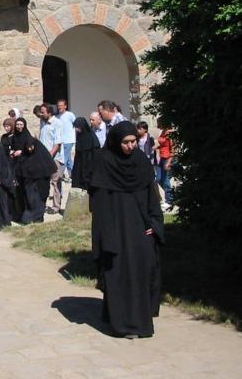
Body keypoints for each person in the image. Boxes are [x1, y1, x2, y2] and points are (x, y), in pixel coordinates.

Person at [89, 121, 164, 338]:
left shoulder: (140, 161)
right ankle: (122, 324)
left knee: (142, 271)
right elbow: (100, 204)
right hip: (115, 229)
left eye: (133, 141)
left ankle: (140, 321)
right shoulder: (104, 162)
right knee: (117, 273)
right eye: (126, 142)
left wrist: (154, 224)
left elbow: (152, 197)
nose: (131, 146)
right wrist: (105, 235)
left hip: (140, 227)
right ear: (115, 142)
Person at [10, 118, 58, 224]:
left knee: (35, 195)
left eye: (21, 124)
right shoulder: (14, 137)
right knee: (26, 195)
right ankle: (28, 216)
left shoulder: (30, 139)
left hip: (35, 172)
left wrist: (21, 153)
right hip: (23, 172)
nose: (18, 126)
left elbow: (30, 151)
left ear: (24, 125)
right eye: (17, 124)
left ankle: (36, 217)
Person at [39, 103, 64, 214]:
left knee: (55, 183)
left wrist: (49, 156)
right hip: (43, 158)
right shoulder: (43, 122)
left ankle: (56, 206)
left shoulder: (57, 123)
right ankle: (41, 204)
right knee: (43, 182)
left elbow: (57, 143)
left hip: (54, 158)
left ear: (49, 112)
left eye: (43, 112)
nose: (41, 114)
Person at [0, 117, 23, 222]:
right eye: (5, 126)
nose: (6, 128)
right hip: (6, 163)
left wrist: (14, 152)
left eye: (8, 126)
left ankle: (18, 213)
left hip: (15, 163)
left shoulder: (16, 136)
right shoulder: (4, 137)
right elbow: (2, 149)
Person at [71, 117, 100, 190]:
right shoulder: (80, 135)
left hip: (88, 164)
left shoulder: (91, 136)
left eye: (78, 127)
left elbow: (95, 149)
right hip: (79, 165)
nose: (77, 129)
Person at [154, 121, 175, 211]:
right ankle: (171, 194)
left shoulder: (170, 134)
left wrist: (169, 162)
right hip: (162, 158)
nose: (157, 124)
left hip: (168, 158)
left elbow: (173, 150)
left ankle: (169, 200)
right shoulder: (162, 132)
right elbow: (164, 145)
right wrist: (157, 147)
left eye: (159, 122)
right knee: (158, 179)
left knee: (165, 179)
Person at [56, 99, 77, 179]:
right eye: (58, 105)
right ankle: (73, 175)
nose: (59, 107)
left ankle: (59, 175)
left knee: (64, 158)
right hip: (61, 141)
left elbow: (76, 124)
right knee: (68, 159)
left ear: (65, 106)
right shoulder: (57, 117)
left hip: (68, 140)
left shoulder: (70, 115)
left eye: (61, 105)